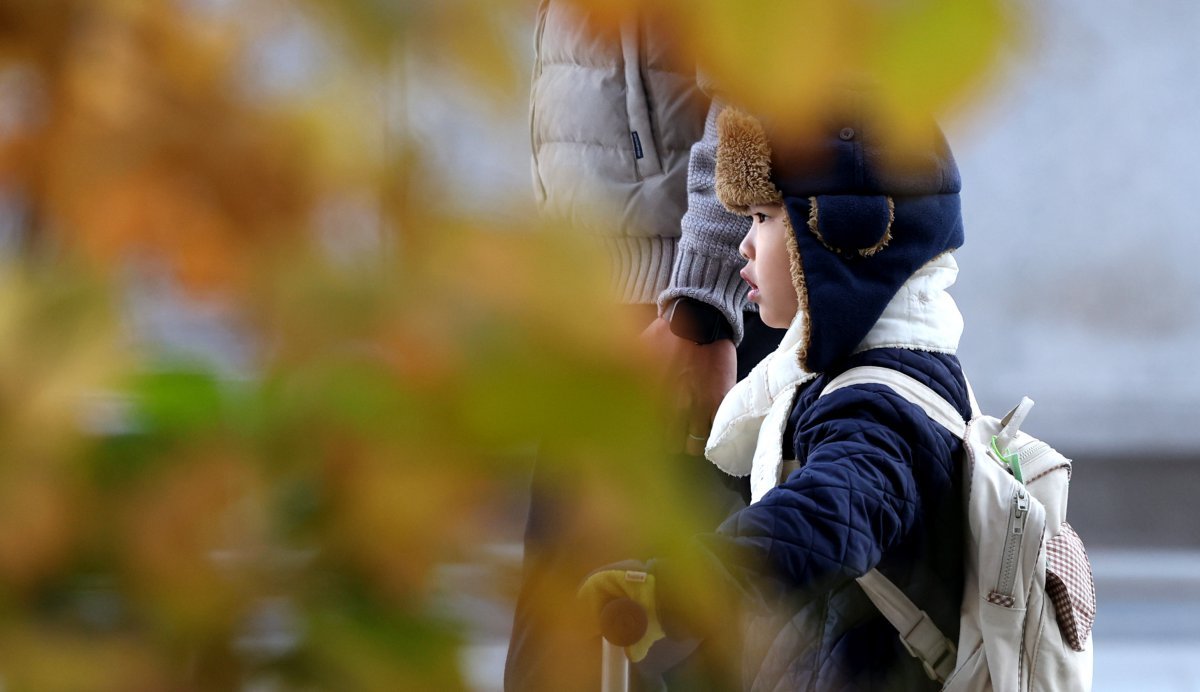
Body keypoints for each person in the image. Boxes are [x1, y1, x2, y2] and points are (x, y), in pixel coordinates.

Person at [579, 96, 973, 690]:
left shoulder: (878, 405)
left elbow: (831, 513)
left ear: (841, 232)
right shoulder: (864, 377)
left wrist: (695, 585)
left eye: (764, 217)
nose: (742, 242)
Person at [506, 3, 784, 690]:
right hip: (601, 304)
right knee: (563, 650)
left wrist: (702, 305)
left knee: (696, 645)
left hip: (687, 311)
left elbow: (759, 79)